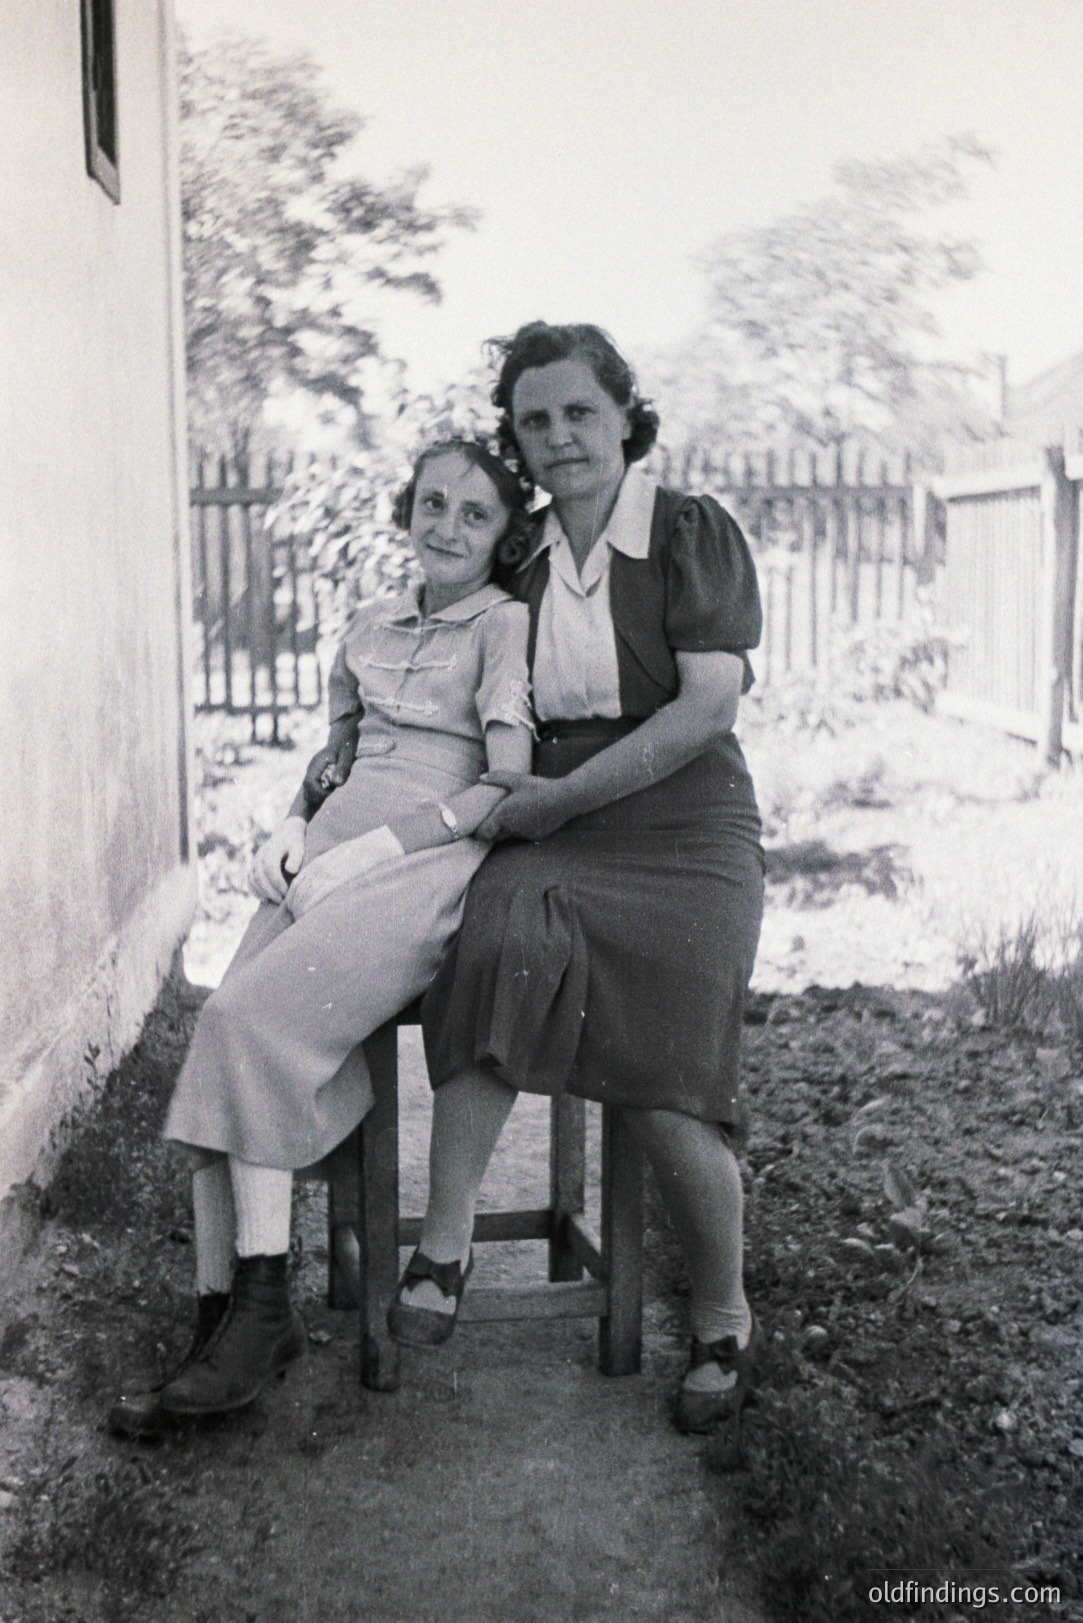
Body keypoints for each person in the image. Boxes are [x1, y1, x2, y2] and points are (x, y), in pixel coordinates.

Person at [108, 439, 534, 1436]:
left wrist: (385, 846)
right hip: (331, 847)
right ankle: (222, 1321)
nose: (448, 527)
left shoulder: (503, 625)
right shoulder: (370, 624)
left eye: (475, 515)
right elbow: (333, 756)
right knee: (221, 1027)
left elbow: (505, 782)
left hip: (427, 859)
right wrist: (290, 825)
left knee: (253, 1024)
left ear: (504, 536)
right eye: (433, 504)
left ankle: (263, 1311)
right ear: (407, 511)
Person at [391, 324, 766, 1435]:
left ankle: (722, 1311)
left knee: (661, 1066)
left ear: (623, 419)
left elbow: (708, 708)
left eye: (580, 415)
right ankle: (445, 1244)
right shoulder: (519, 554)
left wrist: (556, 802)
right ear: (517, 434)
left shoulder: (688, 532)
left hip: (686, 824)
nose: (559, 439)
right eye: (536, 420)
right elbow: (452, 678)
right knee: (497, 944)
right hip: (548, 816)